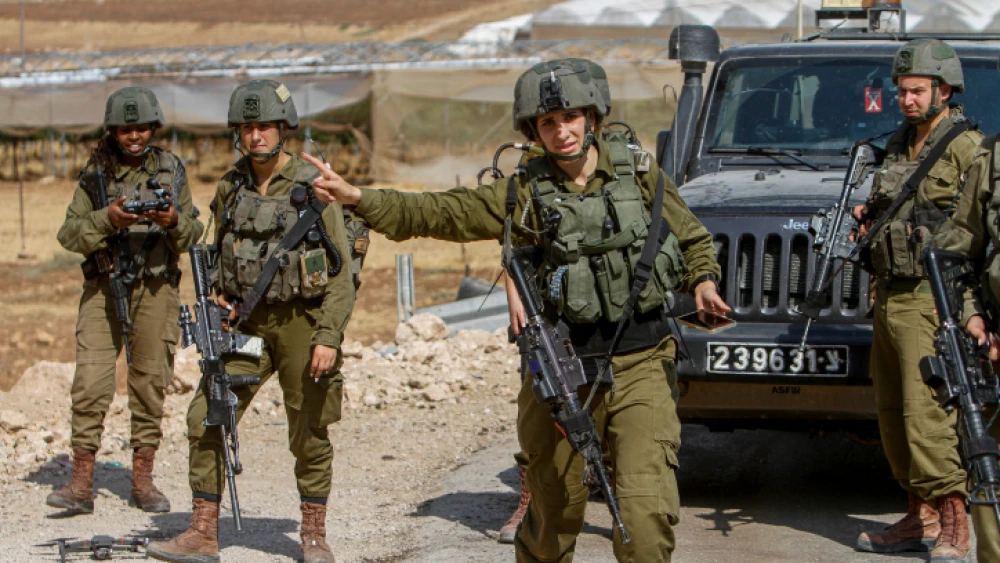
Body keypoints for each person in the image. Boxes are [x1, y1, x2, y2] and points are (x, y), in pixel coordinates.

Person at [305, 58, 728, 562]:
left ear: (592, 117)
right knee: (554, 513)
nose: (562, 131)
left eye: (571, 117)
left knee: (644, 517)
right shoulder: (521, 193)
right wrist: (358, 197)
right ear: (533, 130)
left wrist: (703, 282)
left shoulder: (640, 173)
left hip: (641, 361)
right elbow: (438, 212)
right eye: (548, 122)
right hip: (562, 370)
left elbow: (693, 238)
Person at [147, 79, 355, 563]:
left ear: (284, 128)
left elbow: (342, 274)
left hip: (303, 323)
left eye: (265, 126)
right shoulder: (232, 184)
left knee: (309, 428)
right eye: (246, 127)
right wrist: (218, 298)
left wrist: (328, 336)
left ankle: (313, 535)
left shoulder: (314, 185)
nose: (255, 135)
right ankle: (202, 531)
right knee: (206, 416)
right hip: (245, 324)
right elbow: (221, 252)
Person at [852, 38, 981, 562]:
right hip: (889, 291)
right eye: (901, 91)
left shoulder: (965, 148)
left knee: (926, 413)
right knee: (892, 412)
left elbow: (979, 227)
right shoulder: (900, 143)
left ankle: (956, 524)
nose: (906, 100)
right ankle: (919, 516)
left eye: (917, 91)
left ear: (944, 91)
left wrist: (965, 304)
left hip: (931, 297)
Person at [50, 86, 203, 516]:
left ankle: (143, 478)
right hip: (103, 287)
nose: (134, 136)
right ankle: (80, 481)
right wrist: (109, 219)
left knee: (150, 381)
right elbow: (69, 234)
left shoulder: (171, 168)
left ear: (153, 127)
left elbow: (195, 232)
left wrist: (171, 221)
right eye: (125, 128)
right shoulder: (96, 173)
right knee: (91, 383)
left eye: (141, 127)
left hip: (156, 289)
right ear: (113, 130)